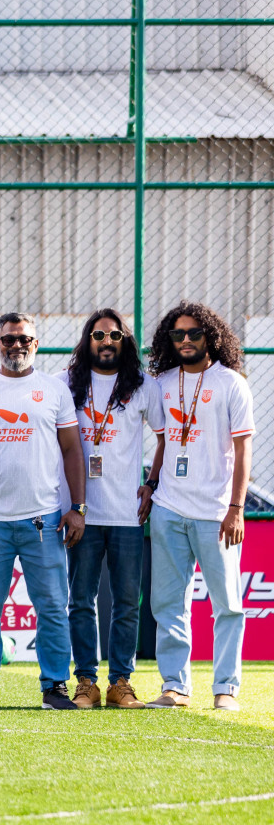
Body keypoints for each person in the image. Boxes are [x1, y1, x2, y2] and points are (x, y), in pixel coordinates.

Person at [0, 310, 161, 708]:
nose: (106, 341)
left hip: (107, 514)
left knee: (112, 604)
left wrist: (150, 481)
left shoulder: (141, 385)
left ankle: (108, 683)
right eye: (98, 334)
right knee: (64, 603)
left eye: (114, 335)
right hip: (37, 516)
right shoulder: (60, 382)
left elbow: (160, 437)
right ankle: (78, 683)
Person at [0, 313, 87, 710]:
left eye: (24, 339)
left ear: (36, 342)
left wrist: (77, 508)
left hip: (43, 518)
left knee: (51, 606)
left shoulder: (54, 389)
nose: (17, 345)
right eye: (8, 339)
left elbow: (71, 450)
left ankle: (54, 687)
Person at [143, 303, 255, 711]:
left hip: (216, 512)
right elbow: (162, 442)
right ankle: (175, 687)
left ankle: (225, 688)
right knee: (168, 603)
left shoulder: (231, 384)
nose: (186, 340)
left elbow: (244, 451)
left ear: (211, 335)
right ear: (169, 341)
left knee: (227, 603)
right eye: (178, 335)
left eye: (194, 333)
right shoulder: (161, 384)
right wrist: (152, 485)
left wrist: (237, 508)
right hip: (168, 508)